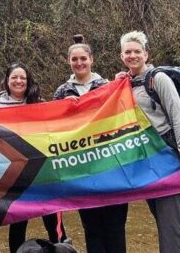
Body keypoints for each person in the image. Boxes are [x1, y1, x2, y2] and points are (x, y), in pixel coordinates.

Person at [118, 30, 180, 253]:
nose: (132, 55)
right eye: (127, 52)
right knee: (161, 222)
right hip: (147, 164)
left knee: (172, 230)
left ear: (146, 54)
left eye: (137, 51)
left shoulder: (158, 79)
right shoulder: (125, 84)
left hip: (169, 160)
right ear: (121, 56)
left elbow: (178, 119)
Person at [53, 35, 128, 253]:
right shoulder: (62, 92)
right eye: (74, 59)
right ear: (69, 61)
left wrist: (123, 82)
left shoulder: (107, 86)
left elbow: (122, 118)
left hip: (111, 166)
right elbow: (56, 132)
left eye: (83, 58)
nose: (79, 63)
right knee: (91, 227)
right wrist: (64, 112)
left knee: (115, 226)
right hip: (82, 169)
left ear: (91, 59)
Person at [0, 62, 68, 253]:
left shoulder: (39, 104)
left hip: (43, 171)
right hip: (14, 172)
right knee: (17, 222)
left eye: (23, 78)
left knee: (52, 219)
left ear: (28, 81)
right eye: (14, 78)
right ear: (7, 81)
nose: (19, 81)